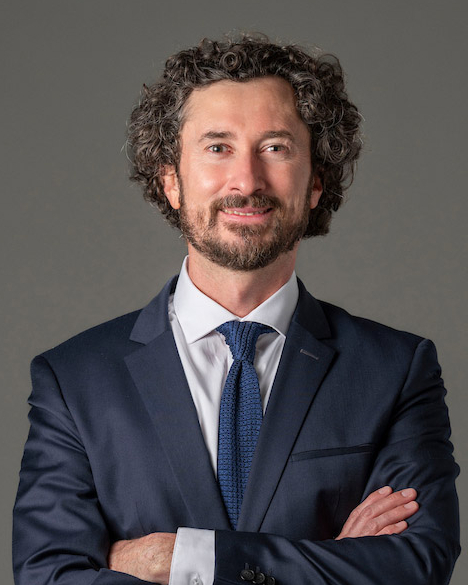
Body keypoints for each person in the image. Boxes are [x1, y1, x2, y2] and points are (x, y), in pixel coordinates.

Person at [13, 34, 460, 585]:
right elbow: (48, 576)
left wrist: (181, 560)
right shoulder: (74, 380)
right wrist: (330, 561)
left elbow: (415, 566)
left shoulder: (395, 369)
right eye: (217, 147)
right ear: (171, 181)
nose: (247, 180)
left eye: (275, 147)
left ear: (315, 182)